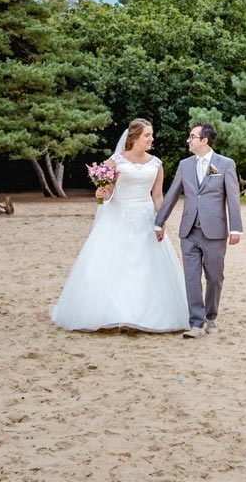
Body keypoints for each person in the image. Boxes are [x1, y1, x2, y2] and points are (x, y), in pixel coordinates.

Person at [51, 119, 190, 332]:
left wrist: (160, 221)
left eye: (151, 135)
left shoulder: (156, 164)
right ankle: (113, 314)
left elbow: (157, 195)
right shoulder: (115, 161)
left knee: (146, 265)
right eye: (147, 135)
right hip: (118, 215)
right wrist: (102, 193)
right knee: (114, 263)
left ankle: (146, 315)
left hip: (145, 216)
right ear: (134, 137)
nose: (151, 139)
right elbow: (108, 192)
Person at [155, 123, 243, 338]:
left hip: (215, 231)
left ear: (204, 140)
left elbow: (233, 197)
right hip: (189, 231)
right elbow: (173, 193)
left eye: (192, 136)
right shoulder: (184, 165)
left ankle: (211, 316)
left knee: (214, 277)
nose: (188, 140)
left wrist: (236, 228)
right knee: (191, 277)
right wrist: (159, 221)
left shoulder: (225, 164)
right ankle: (196, 323)